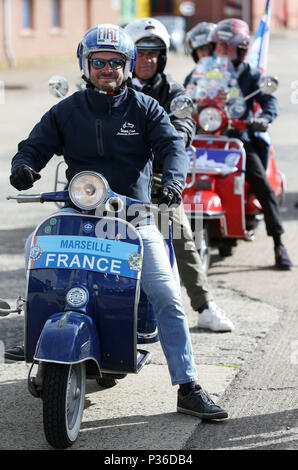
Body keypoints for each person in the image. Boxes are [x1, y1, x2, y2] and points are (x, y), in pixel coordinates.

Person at [5, 24, 228, 420]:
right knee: (34, 253)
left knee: (165, 292)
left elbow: (172, 146)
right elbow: (35, 145)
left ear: (126, 66)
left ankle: (188, 385)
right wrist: (24, 166)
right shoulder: (67, 110)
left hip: (133, 217)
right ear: (86, 65)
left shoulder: (146, 108)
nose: (107, 68)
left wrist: (173, 183)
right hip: (79, 213)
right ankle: (38, 342)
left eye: (115, 62)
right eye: (99, 61)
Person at [124, 17, 234, 332]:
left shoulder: (174, 91)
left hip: (157, 179)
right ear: (129, 56)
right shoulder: (113, 81)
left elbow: (183, 129)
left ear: (162, 57)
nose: (147, 60)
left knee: (180, 232)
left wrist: (157, 142)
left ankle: (204, 305)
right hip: (111, 179)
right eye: (140, 53)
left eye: (153, 53)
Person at [192, 18, 292, 270]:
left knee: (260, 181)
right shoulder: (204, 70)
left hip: (238, 138)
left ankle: (279, 244)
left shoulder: (251, 75)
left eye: (229, 48)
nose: (223, 52)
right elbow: (183, 92)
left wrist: (262, 119)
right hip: (204, 135)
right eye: (219, 46)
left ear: (241, 50)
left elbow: (270, 102)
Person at [184, 22, 216, 88]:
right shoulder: (192, 77)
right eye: (200, 49)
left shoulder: (227, 72)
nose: (204, 53)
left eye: (206, 48)